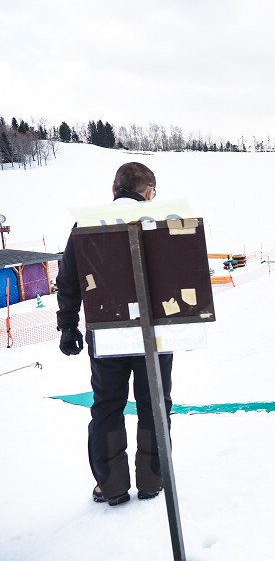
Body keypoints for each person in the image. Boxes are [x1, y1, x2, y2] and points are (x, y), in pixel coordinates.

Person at [56, 162, 172, 506]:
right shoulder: (161, 223)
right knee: (154, 405)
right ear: (148, 192)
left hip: (107, 334)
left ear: (114, 189)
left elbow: (68, 281)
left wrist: (67, 326)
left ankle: (111, 486)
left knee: (107, 406)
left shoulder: (86, 225)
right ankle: (152, 480)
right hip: (155, 334)